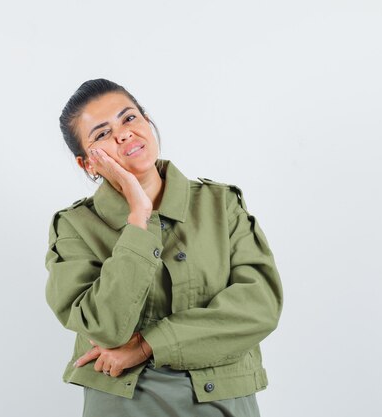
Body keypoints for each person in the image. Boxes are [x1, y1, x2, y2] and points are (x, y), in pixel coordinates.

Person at [45, 78, 283, 417]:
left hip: (222, 401)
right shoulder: (74, 226)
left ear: (146, 121)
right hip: (125, 405)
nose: (123, 134)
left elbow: (259, 308)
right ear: (88, 164)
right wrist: (139, 218)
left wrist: (147, 346)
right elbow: (103, 327)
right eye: (101, 134)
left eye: (129, 118)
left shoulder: (221, 205)